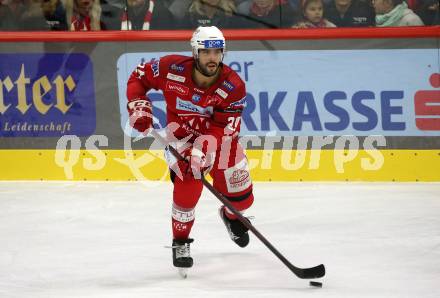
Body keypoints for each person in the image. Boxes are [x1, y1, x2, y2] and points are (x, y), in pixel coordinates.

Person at [126, 26, 254, 270]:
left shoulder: (233, 85)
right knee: (188, 180)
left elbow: (225, 127)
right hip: (181, 139)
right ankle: (180, 241)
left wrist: (203, 149)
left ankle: (230, 215)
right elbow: (139, 77)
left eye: (217, 52)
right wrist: (138, 103)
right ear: (195, 52)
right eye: (206, 52)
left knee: (243, 200)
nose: (212, 58)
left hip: (220, 141)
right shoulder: (170, 68)